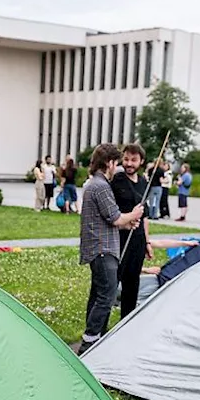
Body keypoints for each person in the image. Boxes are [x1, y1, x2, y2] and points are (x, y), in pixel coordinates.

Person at [79, 143, 145, 355]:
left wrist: (127, 223)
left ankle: (92, 338)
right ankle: (90, 342)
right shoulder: (101, 186)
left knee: (98, 294)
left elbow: (108, 219)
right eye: (117, 162)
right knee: (106, 296)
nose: (117, 167)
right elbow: (115, 217)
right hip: (102, 249)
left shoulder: (95, 184)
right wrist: (133, 216)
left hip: (101, 246)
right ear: (109, 162)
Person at [112, 143, 153, 318]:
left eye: (133, 160)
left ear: (141, 161)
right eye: (126, 159)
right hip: (119, 236)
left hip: (137, 239)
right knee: (114, 279)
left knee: (133, 281)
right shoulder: (118, 179)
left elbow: (145, 216)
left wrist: (147, 241)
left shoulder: (144, 182)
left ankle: (126, 320)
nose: (129, 163)